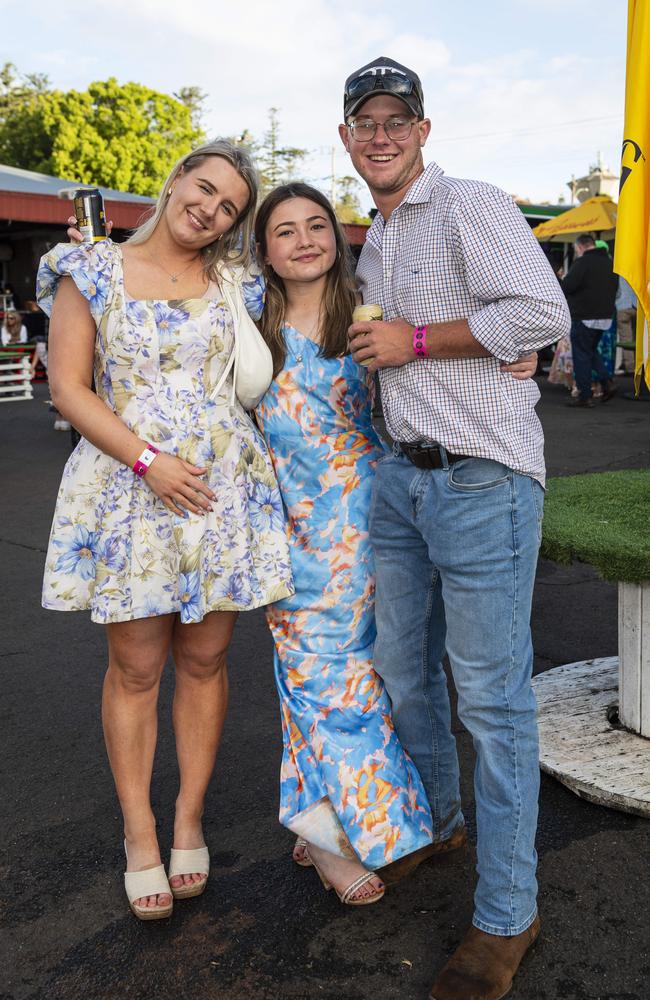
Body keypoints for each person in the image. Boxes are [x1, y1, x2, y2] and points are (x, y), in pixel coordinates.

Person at [339, 57, 570, 1000]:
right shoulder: (373, 240)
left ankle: (508, 913)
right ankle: (438, 823)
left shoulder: (469, 202)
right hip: (402, 480)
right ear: (347, 136)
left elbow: (541, 310)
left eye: (398, 119)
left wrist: (419, 340)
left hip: (480, 484)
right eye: (365, 122)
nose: (381, 135)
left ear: (423, 131)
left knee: (492, 699)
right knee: (403, 669)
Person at [36, 140, 294, 921]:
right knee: (138, 668)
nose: (209, 209)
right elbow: (69, 388)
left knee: (209, 660)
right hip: (131, 485)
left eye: (228, 207)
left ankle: (188, 817)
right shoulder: (92, 269)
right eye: (204, 187)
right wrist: (149, 460)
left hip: (218, 490)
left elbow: (321, 304)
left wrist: (501, 350)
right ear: (176, 177)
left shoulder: (236, 280)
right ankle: (139, 832)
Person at [254, 182, 434, 905]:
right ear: (263, 250)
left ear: (337, 234)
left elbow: (440, 364)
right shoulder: (245, 324)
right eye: (285, 230)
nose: (304, 239)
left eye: (316, 225)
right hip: (289, 531)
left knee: (361, 673)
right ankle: (335, 841)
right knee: (322, 679)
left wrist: (513, 361)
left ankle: (318, 816)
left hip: (377, 525)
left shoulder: (372, 312)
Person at [561, 234, 618, 408]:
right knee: (590, 351)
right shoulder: (610, 263)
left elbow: (568, 286)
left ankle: (585, 395)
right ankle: (607, 382)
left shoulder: (583, 263)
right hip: (605, 317)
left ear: (580, 247)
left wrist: (562, 278)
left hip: (584, 316)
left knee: (581, 355)